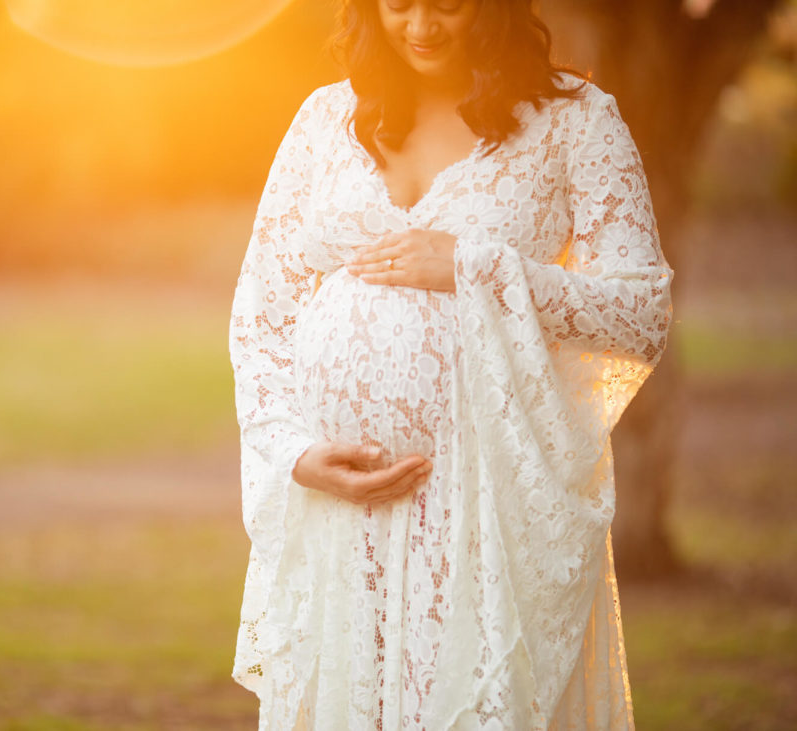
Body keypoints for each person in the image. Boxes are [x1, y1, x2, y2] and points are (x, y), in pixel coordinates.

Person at [228, 0, 673, 728]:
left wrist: (472, 265)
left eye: (448, 3)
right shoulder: (325, 120)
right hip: (345, 518)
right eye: (399, 3)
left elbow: (639, 314)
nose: (421, 25)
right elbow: (261, 314)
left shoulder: (576, 121)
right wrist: (294, 452)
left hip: (486, 513)